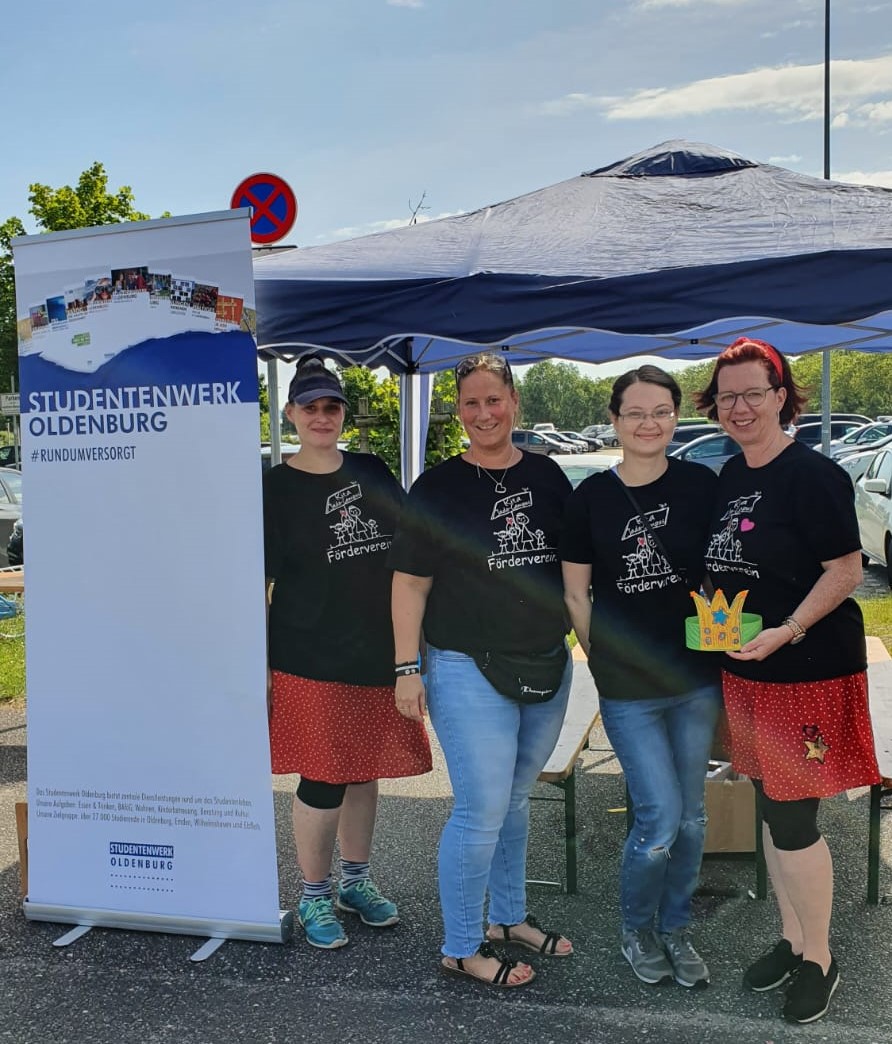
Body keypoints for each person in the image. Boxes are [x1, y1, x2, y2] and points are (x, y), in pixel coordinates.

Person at [694, 337, 881, 1024]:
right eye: (727, 396)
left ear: (780, 397)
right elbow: (725, 565)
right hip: (748, 670)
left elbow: (846, 569)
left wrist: (788, 629)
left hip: (805, 668)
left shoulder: (813, 475)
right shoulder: (727, 477)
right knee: (774, 806)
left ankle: (822, 958)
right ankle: (793, 938)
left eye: (752, 393)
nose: (739, 407)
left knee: (795, 817)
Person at [390, 352, 574, 989]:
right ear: (459, 410)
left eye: (494, 399)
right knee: (480, 808)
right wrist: (407, 667)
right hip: (465, 667)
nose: (484, 413)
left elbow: (578, 571)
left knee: (515, 800)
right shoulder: (437, 488)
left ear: (514, 403)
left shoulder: (550, 476)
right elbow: (409, 586)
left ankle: (508, 919)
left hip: (547, 664)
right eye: (471, 402)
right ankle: (462, 945)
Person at [263, 355, 432, 950]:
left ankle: (355, 881)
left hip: (377, 652)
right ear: (289, 413)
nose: (321, 416)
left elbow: (410, 556)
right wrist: (258, 665)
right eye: (309, 407)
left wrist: (411, 653)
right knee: (323, 777)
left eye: (330, 406)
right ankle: (312, 893)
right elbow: (256, 582)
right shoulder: (273, 487)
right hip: (308, 654)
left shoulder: (372, 470)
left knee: (364, 772)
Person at [561, 365, 721, 990]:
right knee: (657, 819)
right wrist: (601, 655)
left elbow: (717, 576)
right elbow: (576, 594)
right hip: (629, 688)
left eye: (660, 411)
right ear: (615, 420)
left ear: (676, 417)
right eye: (635, 412)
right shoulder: (590, 497)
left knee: (693, 819)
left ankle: (676, 927)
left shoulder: (701, 485)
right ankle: (636, 927)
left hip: (695, 678)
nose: (648, 423)